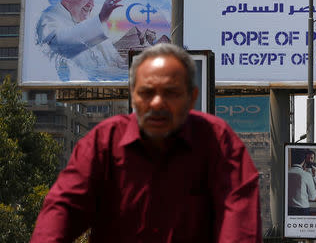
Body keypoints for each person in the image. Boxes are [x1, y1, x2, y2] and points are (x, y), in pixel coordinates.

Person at [31, 43, 262, 242]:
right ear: (133, 95)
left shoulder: (219, 143)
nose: (157, 103)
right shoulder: (103, 144)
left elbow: (240, 226)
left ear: (192, 97)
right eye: (147, 93)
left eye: (171, 93)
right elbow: (62, 211)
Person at [36, 0, 128, 81]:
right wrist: (101, 19)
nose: (92, 5)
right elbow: (59, 46)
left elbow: (115, 60)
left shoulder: (93, 21)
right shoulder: (49, 18)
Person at [287, 151, 316, 216]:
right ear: (304, 161)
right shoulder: (306, 175)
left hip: (288, 209)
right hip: (303, 210)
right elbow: (312, 197)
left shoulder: (285, 173)